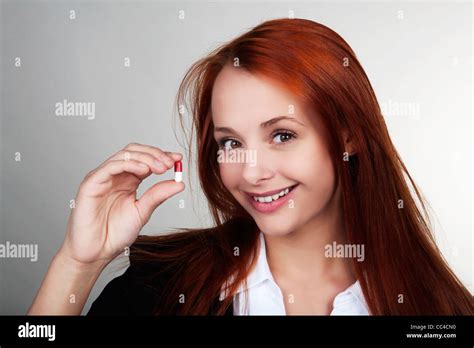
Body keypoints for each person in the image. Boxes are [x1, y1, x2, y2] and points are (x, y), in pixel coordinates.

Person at [28, 18, 473, 316]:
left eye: (282, 135)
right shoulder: (160, 288)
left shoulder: (438, 311)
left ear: (347, 135)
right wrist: (78, 262)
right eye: (231, 143)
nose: (252, 172)